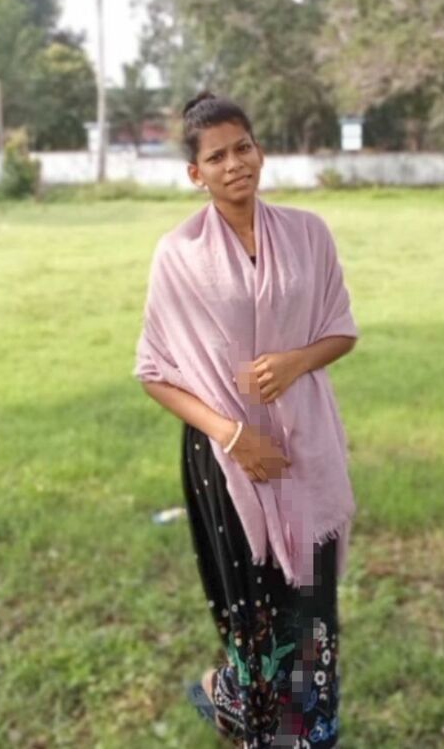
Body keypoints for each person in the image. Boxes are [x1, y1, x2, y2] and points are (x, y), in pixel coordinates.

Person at [134, 92, 358, 748]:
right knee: (255, 619)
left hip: (304, 447)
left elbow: (341, 328)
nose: (234, 164)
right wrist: (235, 436)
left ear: (259, 150)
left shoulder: (309, 234)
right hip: (226, 457)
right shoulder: (179, 254)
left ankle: (302, 730)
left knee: (310, 614)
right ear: (195, 173)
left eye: (243, 147)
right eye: (216, 157)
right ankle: (242, 704)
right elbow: (154, 370)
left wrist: (294, 362)